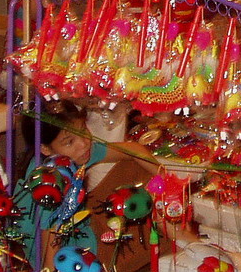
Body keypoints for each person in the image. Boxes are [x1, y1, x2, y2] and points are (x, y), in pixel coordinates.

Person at [15, 101, 163, 272]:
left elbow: (134, 150)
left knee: (135, 169)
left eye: (83, 130)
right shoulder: (52, 180)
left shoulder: (72, 153)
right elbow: (51, 239)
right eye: (69, 141)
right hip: (71, 254)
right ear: (45, 149)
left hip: (77, 228)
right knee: (152, 227)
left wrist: (166, 179)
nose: (84, 143)